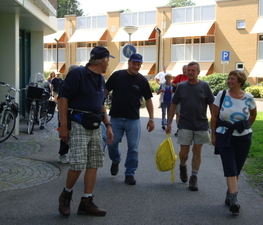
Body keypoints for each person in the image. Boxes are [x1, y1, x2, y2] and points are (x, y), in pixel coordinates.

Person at [58, 46, 114, 217]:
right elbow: (62, 99)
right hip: (79, 123)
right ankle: (66, 196)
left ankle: (86, 202)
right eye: (108, 60)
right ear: (103, 60)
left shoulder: (101, 78)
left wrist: (108, 125)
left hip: (96, 125)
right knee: (77, 164)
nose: (108, 63)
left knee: (94, 163)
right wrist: (64, 126)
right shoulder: (78, 74)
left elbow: (101, 104)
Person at [210, 70, 257, 214]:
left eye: (232, 79)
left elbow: (253, 114)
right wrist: (213, 135)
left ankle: (230, 193)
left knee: (237, 167)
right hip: (225, 135)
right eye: (229, 78)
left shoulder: (248, 98)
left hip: (243, 137)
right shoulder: (221, 95)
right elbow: (214, 115)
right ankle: (234, 200)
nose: (229, 81)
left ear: (240, 82)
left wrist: (244, 126)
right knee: (230, 166)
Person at [105, 53, 155, 185]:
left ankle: (130, 173)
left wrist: (151, 119)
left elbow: (148, 100)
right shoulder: (117, 75)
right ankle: (116, 160)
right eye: (134, 63)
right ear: (129, 62)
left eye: (139, 64)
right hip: (115, 118)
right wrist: (99, 107)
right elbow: (104, 91)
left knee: (133, 148)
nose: (136, 66)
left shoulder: (142, 80)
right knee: (112, 143)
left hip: (133, 119)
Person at [166, 61, 214, 192]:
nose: (190, 72)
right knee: (184, 153)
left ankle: (194, 177)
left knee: (197, 150)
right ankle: (182, 165)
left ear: (198, 72)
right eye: (188, 70)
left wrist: (214, 122)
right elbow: (173, 105)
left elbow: (211, 105)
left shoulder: (204, 86)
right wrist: (169, 123)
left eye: (193, 70)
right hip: (185, 124)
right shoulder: (181, 86)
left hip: (201, 124)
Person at [57, 65, 79, 164]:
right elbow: (60, 99)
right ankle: (63, 154)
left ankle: (71, 154)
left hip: (74, 112)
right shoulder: (65, 83)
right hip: (66, 112)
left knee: (72, 134)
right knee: (65, 134)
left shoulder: (77, 83)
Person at [171, 65, 188, 136]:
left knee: (185, 114)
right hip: (178, 98)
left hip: (187, 99)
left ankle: (184, 129)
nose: (184, 71)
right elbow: (172, 83)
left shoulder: (190, 77)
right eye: (183, 69)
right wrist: (175, 85)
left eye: (185, 69)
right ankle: (179, 128)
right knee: (178, 114)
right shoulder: (179, 76)